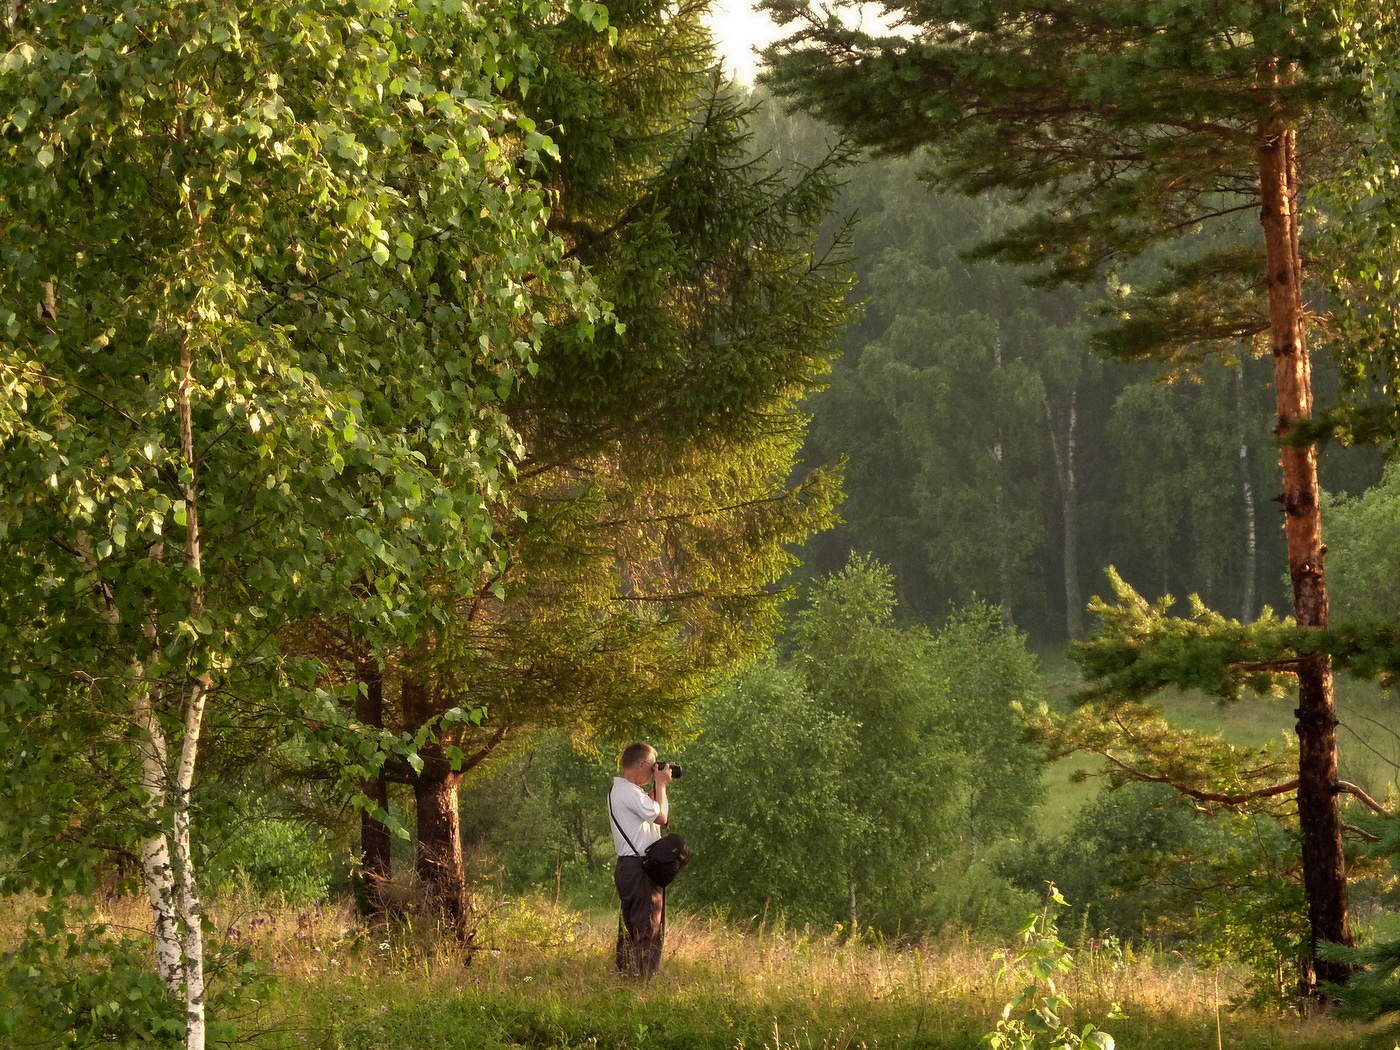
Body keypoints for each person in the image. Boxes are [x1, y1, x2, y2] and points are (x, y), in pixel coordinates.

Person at [608, 741, 672, 978]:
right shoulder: (628, 792)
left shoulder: (622, 791)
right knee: (646, 928)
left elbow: (650, 809)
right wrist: (662, 784)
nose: (653, 771)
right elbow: (662, 817)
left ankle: (626, 977)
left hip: (630, 867)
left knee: (631, 928)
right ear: (644, 763)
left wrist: (657, 785)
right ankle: (640, 984)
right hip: (639, 869)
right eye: (652, 767)